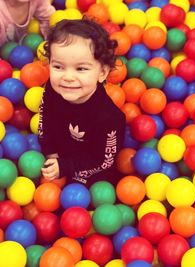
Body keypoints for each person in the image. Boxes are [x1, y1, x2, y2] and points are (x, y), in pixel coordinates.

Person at [38, 18, 126, 188]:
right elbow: (44, 118)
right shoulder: (52, 88)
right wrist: (50, 151)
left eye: (81, 69)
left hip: (89, 167)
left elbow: (103, 161)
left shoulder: (109, 118)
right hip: (56, 156)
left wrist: (65, 166)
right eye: (58, 67)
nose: (68, 77)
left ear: (102, 73)